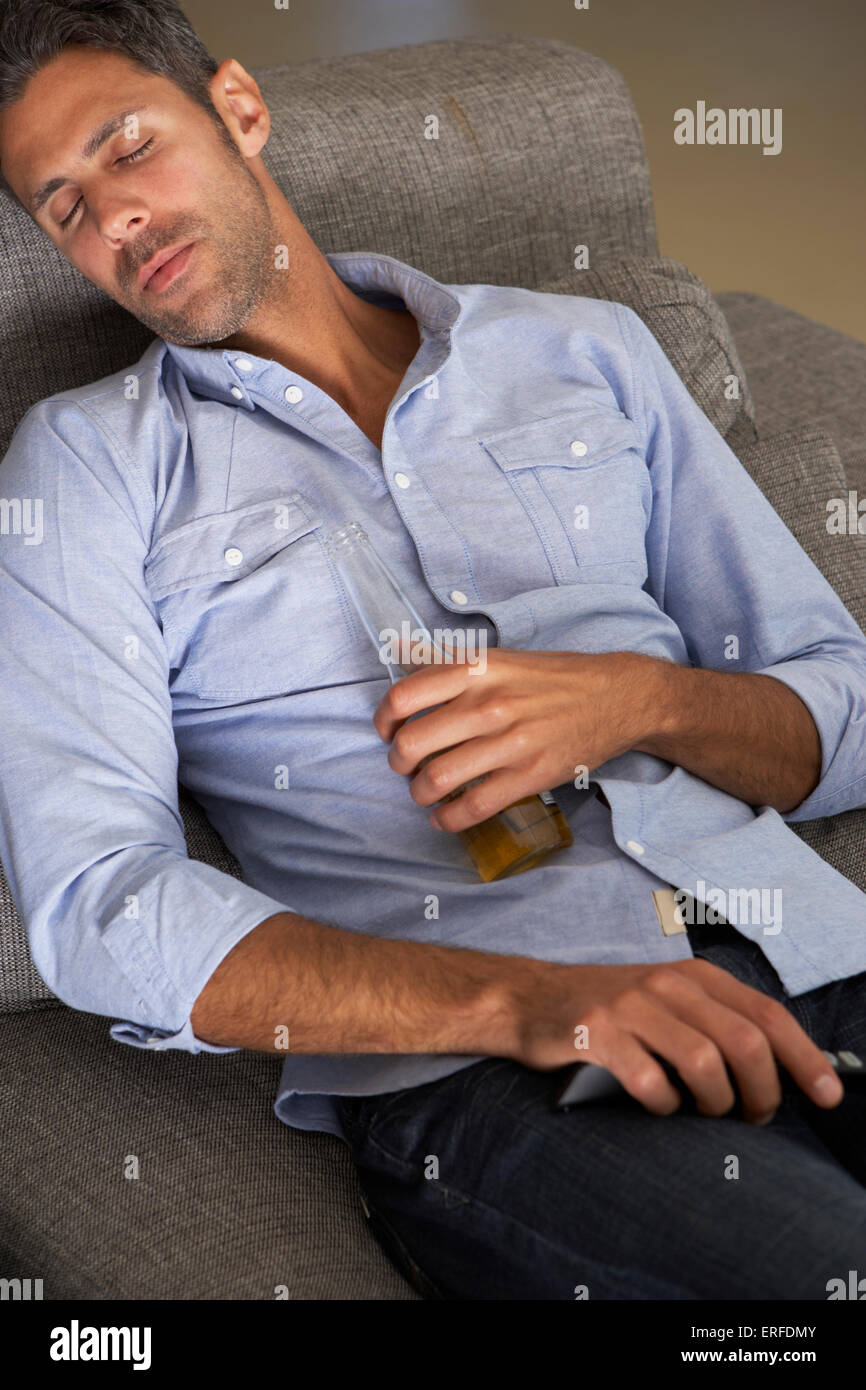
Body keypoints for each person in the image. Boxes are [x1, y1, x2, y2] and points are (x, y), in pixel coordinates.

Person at [0, 1, 865, 1301]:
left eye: (127, 149)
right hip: (495, 1074)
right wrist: (526, 1000)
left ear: (237, 106)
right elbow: (101, 905)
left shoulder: (581, 347)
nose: (110, 219)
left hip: (810, 947)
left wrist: (635, 698)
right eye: (61, 205)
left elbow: (840, 711)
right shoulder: (89, 467)